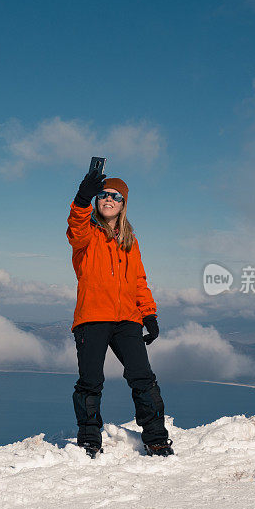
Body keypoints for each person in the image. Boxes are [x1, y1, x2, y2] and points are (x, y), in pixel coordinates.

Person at [66, 167, 174, 459]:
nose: (108, 199)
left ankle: (157, 440)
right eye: (103, 195)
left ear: (123, 203)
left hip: (127, 318)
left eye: (115, 196)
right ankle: (89, 440)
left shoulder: (130, 241)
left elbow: (139, 280)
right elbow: (75, 225)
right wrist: (81, 197)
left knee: (143, 378)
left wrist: (149, 314)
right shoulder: (86, 235)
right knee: (90, 381)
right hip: (92, 317)